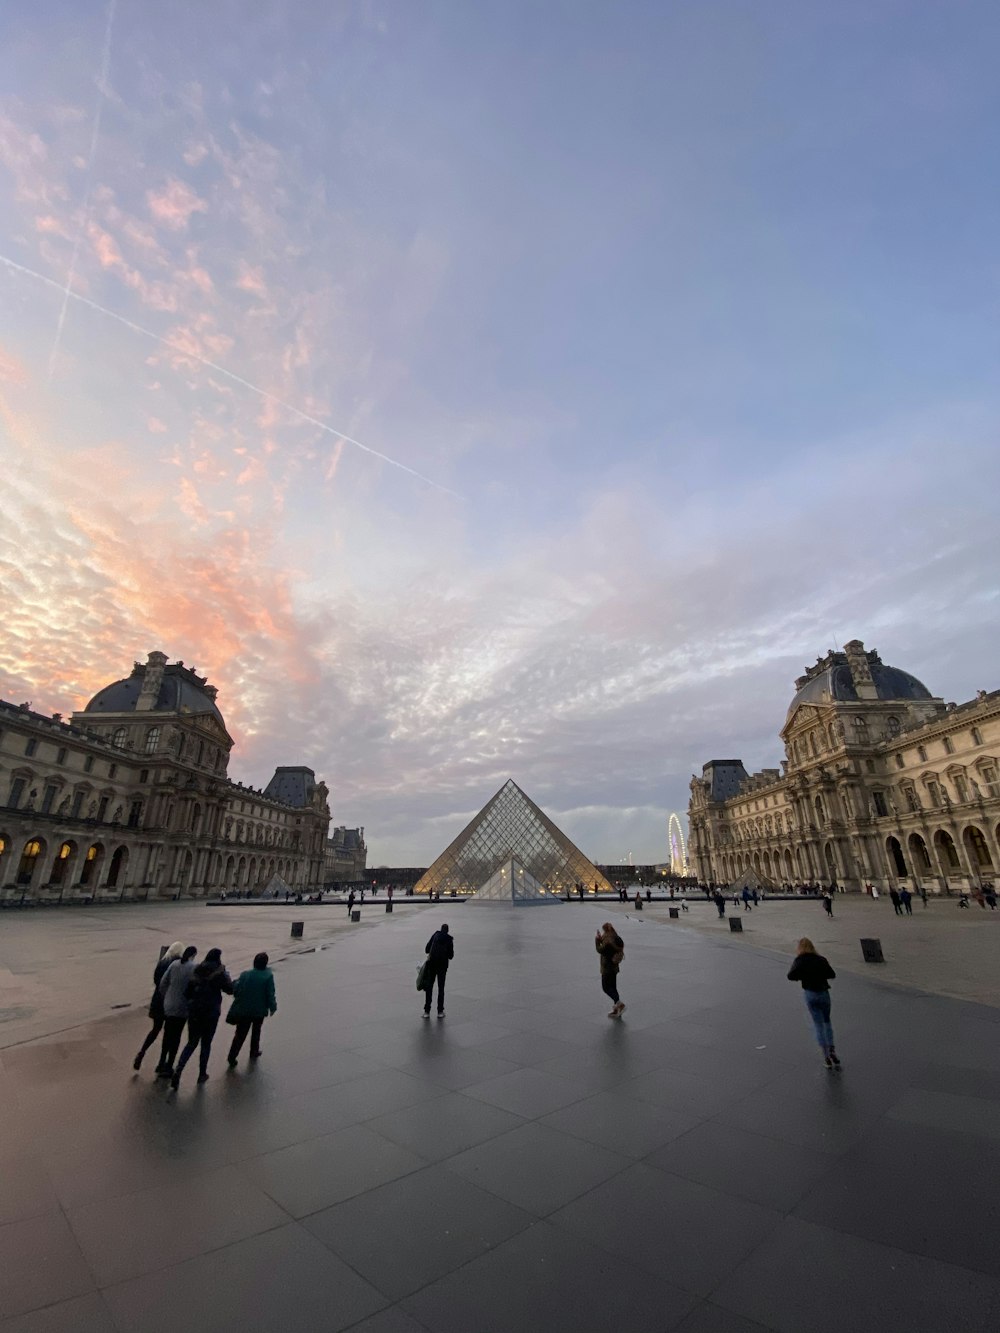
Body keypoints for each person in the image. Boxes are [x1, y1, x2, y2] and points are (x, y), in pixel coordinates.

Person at [170, 948, 233, 1089]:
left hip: (195, 1012)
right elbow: (230, 990)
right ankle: (202, 1074)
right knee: (206, 1044)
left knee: (191, 1043)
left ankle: (179, 1069)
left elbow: (187, 992)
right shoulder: (220, 972)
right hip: (211, 1013)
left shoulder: (197, 969)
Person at [787, 938, 840, 1070]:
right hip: (823, 992)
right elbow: (831, 974)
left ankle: (826, 1055)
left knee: (818, 1024)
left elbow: (791, 976)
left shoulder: (799, 961)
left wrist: (803, 976)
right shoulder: (820, 959)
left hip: (810, 994)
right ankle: (832, 1048)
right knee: (827, 1021)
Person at [134, 942, 185, 1071]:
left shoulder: (162, 962)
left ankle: (142, 1051)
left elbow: (156, 980)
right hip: (170, 1002)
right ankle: (162, 1062)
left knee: (155, 1029)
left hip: (157, 1000)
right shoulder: (178, 965)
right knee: (168, 1033)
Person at [226, 952, 277, 1067]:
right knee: (256, 1031)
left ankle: (232, 1056)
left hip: (244, 1010)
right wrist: (273, 1007)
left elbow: (237, 990)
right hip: (259, 1010)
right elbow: (270, 994)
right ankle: (254, 1051)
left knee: (240, 1034)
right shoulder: (268, 976)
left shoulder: (245, 975)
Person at [157, 945, 198, 1077]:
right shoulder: (193, 968)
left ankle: (161, 1062)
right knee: (176, 1037)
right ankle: (169, 1065)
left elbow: (163, 983)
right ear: (193, 955)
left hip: (169, 1005)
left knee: (167, 1035)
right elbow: (195, 989)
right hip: (182, 1008)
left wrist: (166, 997)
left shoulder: (174, 964)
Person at [595, 922, 626, 1018]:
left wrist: (597, 940)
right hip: (614, 967)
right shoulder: (615, 937)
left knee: (605, 988)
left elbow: (600, 950)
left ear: (605, 930)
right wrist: (601, 940)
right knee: (613, 987)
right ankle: (617, 1009)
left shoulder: (607, 940)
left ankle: (619, 1003)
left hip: (607, 968)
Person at [423, 924, 453, 1018]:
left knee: (429, 988)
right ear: (447, 931)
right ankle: (440, 1011)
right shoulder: (449, 939)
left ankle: (427, 1011)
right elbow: (451, 956)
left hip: (432, 965)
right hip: (442, 967)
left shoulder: (435, 935)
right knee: (441, 989)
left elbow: (427, 949)